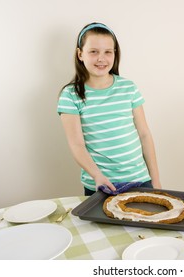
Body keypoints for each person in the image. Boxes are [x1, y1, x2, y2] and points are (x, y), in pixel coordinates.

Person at [57, 22, 162, 196]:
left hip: (141, 180)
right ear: (80, 54)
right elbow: (77, 145)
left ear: (115, 54)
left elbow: (144, 134)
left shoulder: (129, 88)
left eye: (108, 52)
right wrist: (97, 176)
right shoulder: (70, 95)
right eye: (94, 51)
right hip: (101, 184)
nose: (101, 58)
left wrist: (156, 181)